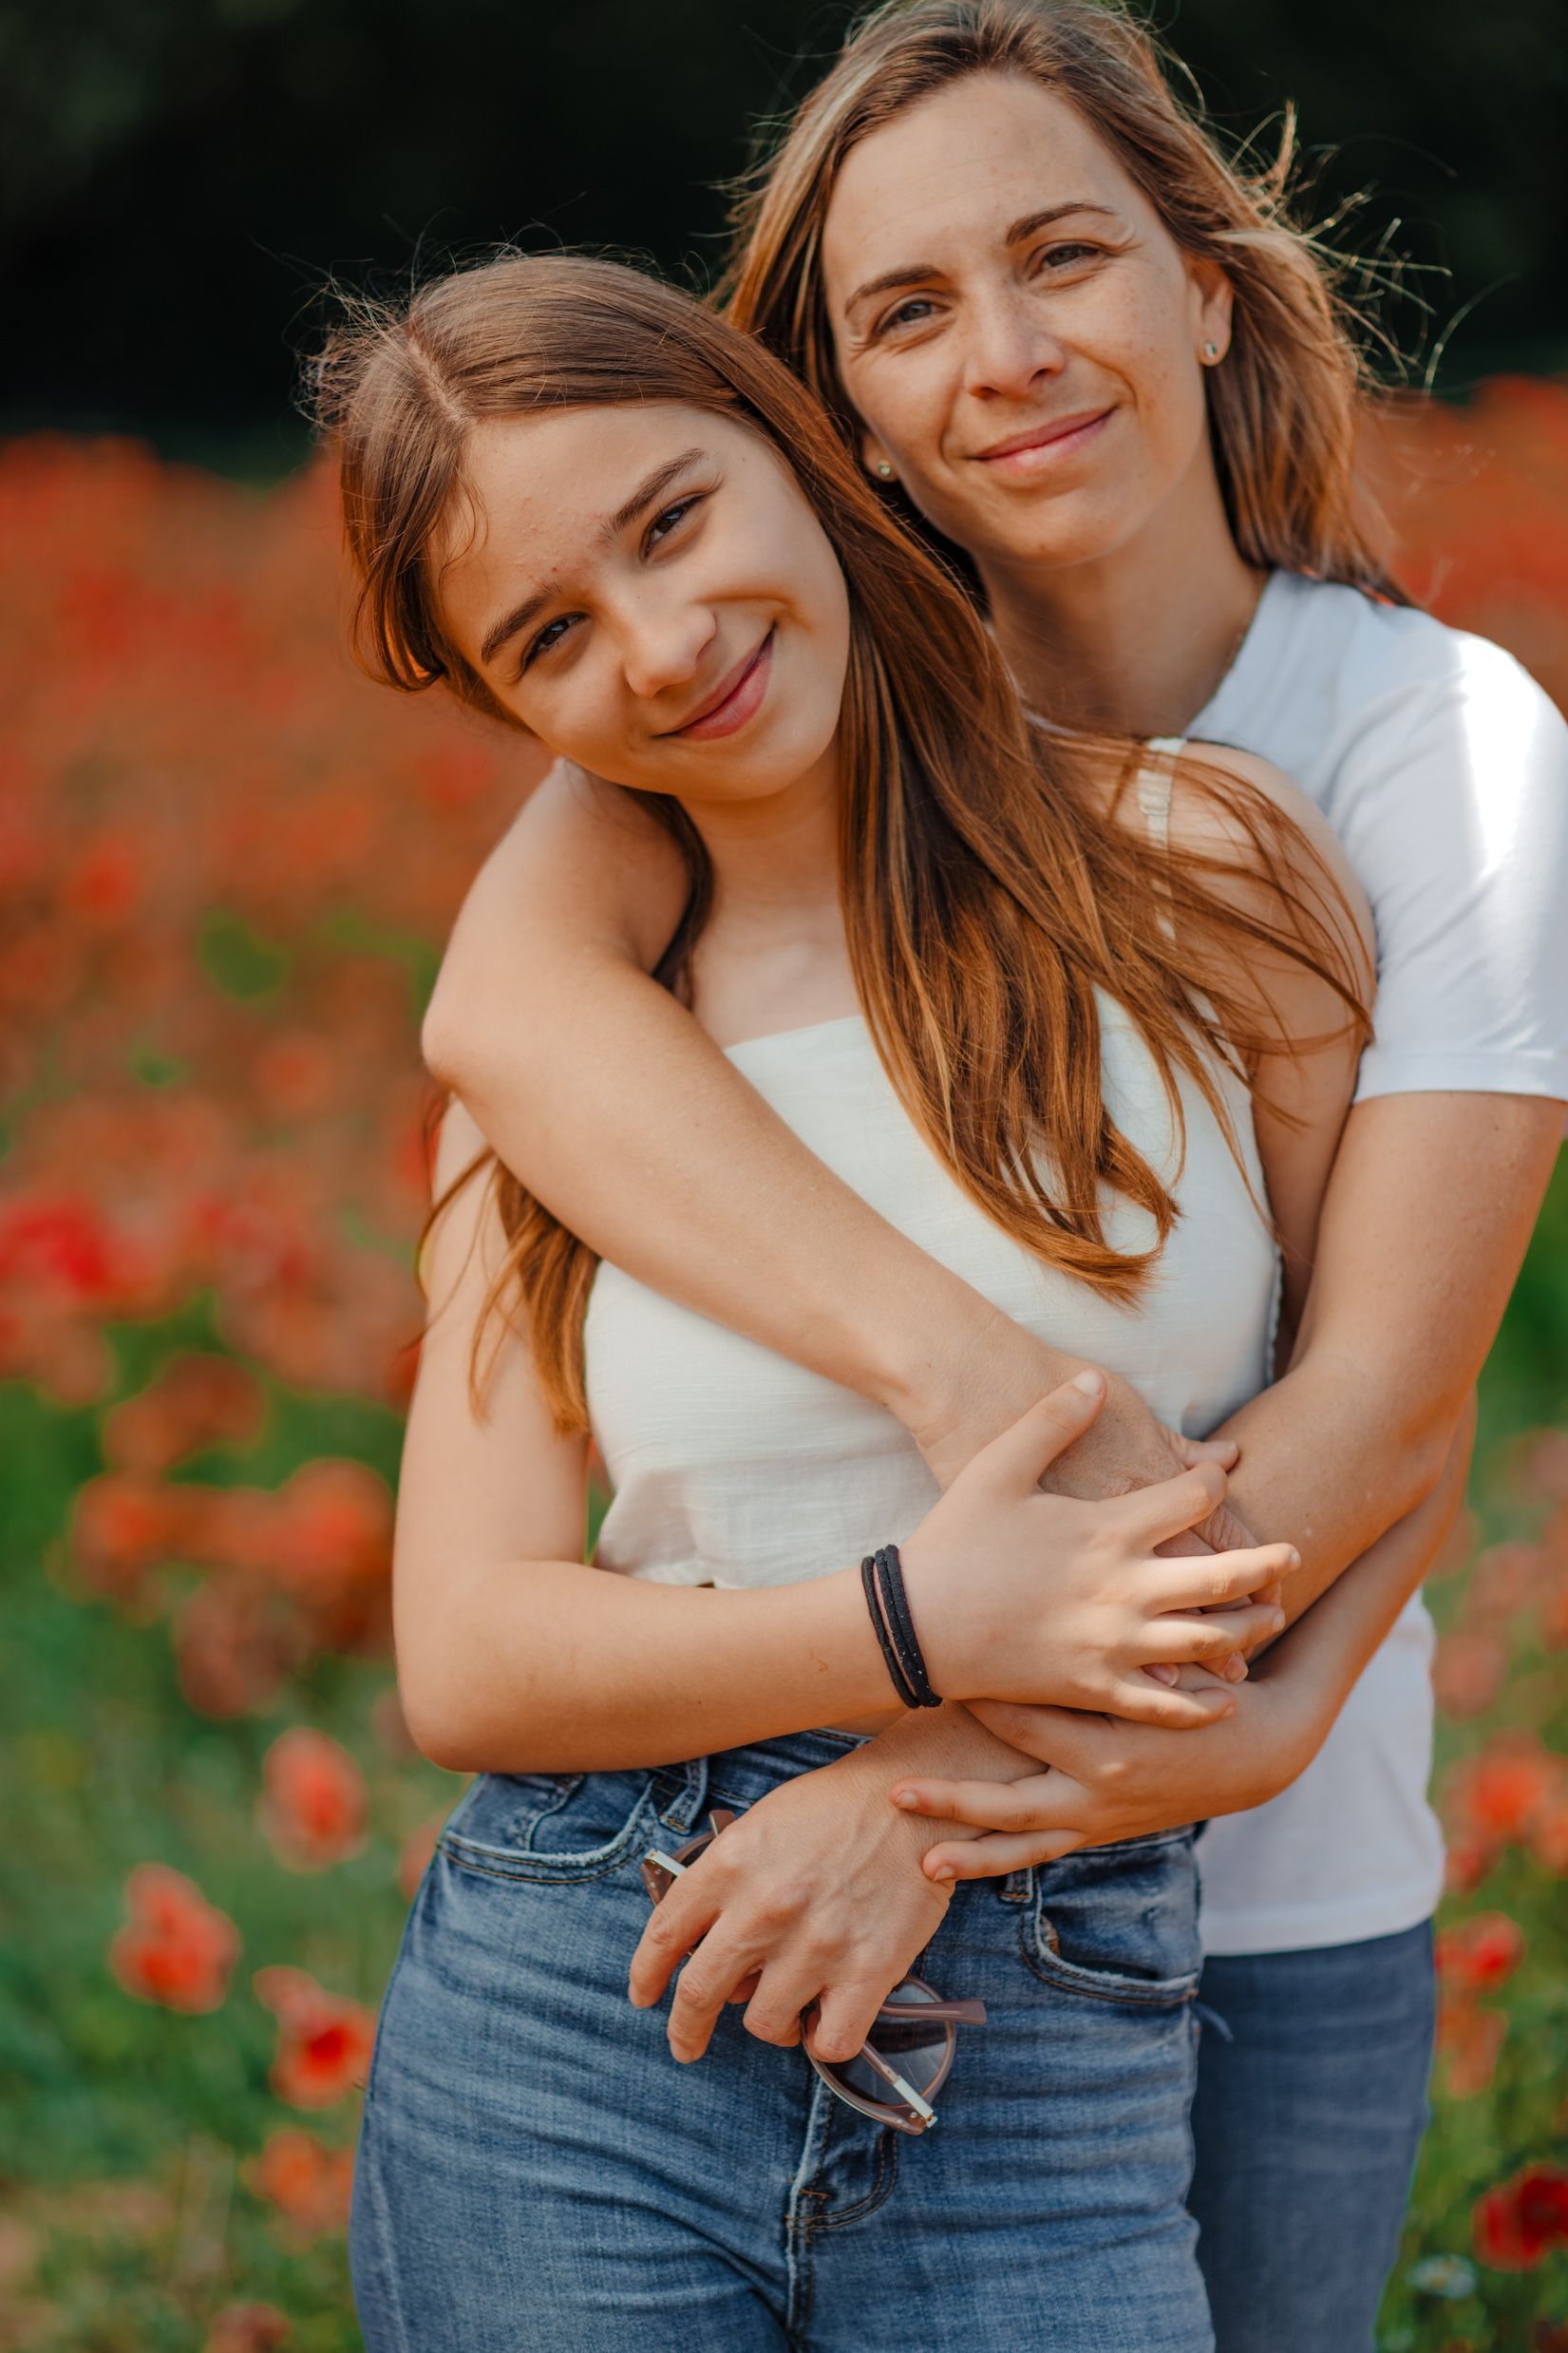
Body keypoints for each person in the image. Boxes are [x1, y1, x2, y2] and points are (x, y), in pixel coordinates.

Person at [419, 5, 1568, 2344]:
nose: (1009, 357)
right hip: (704, 1916)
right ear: (834, 411)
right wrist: (959, 1397)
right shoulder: (755, 720)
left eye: (1062, 257)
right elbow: (501, 1023)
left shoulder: (1420, 752)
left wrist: (917, 1781)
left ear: (1205, 285)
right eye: (908, 311)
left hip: (1258, 1886)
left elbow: (1384, 1400)